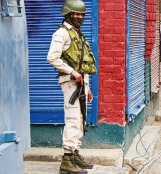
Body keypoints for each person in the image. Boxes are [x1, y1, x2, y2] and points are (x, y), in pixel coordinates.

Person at [47, 0, 97, 173]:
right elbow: (52, 58)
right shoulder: (62, 33)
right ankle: (66, 160)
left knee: (81, 119)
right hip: (70, 81)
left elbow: (82, 62)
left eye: (81, 14)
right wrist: (72, 72)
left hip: (81, 82)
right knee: (73, 119)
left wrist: (88, 87)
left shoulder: (77, 33)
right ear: (68, 14)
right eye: (76, 14)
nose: (79, 17)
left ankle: (75, 153)